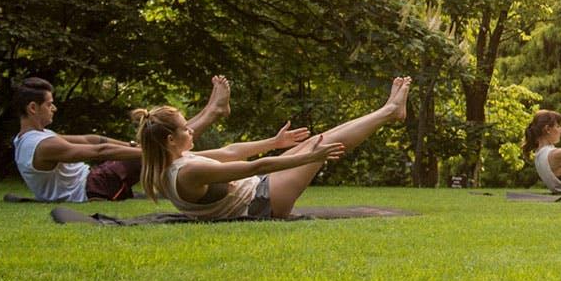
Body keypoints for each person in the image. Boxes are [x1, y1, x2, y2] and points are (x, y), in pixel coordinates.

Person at [135, 76, 410, 220]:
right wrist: (312, 157)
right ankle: (389, 111)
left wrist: (275, 143)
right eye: (185, 128)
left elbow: (230, 152)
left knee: (317, 139)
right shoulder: (188, 172)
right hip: (263, 202)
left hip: (259, 190)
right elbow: (255, 166)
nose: (191, 129)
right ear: (170, 140)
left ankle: (389, 110)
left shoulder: (171, 163)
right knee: (319, 144)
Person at [10, 75, 230, 202]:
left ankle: (212, 110)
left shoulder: (35, 137)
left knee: (164, 139)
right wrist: (149, 151)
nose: (54, 108)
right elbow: (100, 153)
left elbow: (93, 141)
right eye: (49, 104)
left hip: (94, 181)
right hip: (93, 188)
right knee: (166, 139)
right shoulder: (41, 145)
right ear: (32, 108)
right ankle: (213, 112)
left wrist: (134, 146)